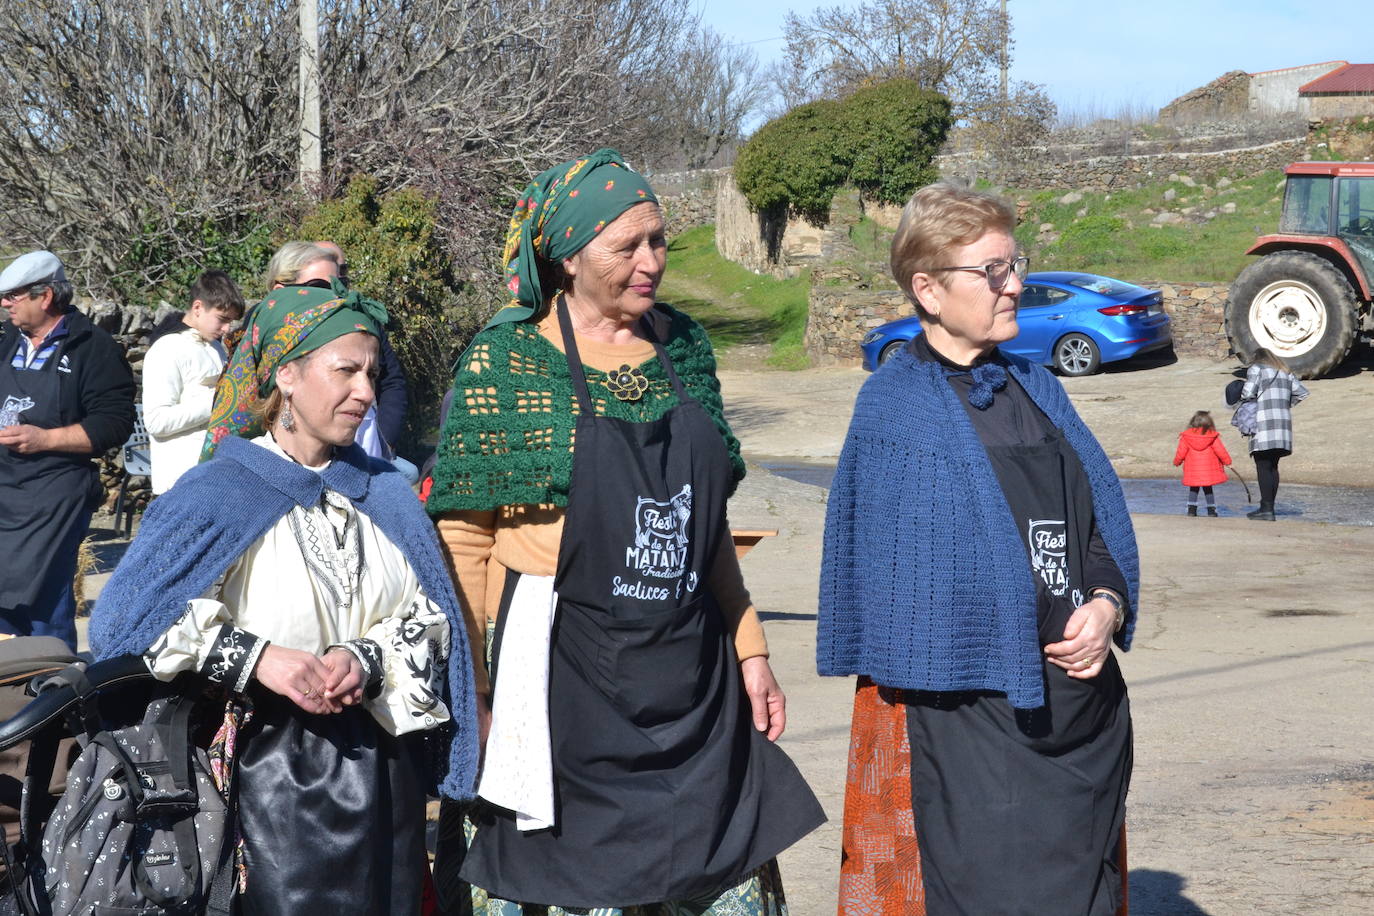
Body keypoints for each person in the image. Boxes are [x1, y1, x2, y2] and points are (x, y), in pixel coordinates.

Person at [426, 149, 824, 914]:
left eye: (660, 240)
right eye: (627, 246)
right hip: (560, 680)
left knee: (714, 867)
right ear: (568, 258)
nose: (652, 263)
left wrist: (751, 650)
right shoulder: (504, 362)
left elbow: (706, 531)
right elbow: (465, 542)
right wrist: (474, 689)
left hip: (691, 674)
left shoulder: (685, 349)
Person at [90, 282, 479, 913]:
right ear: (288, 376)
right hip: (258, 775)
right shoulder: (218, 491)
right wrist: (258, 657)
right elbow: (124, 625)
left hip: (382, 767)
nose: (365, 392)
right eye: (346, 370)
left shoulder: (385, 493)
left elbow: (429, 615)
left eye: (372, 373)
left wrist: (366, 657)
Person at [818, 183, 1137, 916]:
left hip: (1079, 720)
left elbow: (1094, 527)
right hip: (971, 731)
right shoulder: (897, 407)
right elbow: (897, 594)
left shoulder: (1036, 384)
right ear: (927, 288)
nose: (1015, 284)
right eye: (991, 271)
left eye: (1014, 263)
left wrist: (1105, 605)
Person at [0, 251, 135, 649]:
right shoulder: (7, 341)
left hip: (55, 495)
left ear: (45, 297)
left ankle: (53, 696)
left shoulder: (93, 347)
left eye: (13, 295)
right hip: (4, 489)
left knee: (44, 604)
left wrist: (45, 439)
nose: (5, 303)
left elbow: (115, 423)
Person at [313, 241, 414, 481]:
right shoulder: (297, 326)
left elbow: (392, 382)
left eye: (343, 269)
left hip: (367, 438)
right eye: (332, 267)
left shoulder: (367, 319)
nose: (340, 276)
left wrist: (386, 438)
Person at [142, 269, 245, 494]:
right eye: (222, 319)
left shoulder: (216, 346)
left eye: (231, 321)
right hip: (181, 485)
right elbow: (157, 421)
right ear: (198, 308)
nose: (227, 328)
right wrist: (221, 399)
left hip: (216, 479)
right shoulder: (167, 348)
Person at [1240, 347, 1309, 522]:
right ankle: (1268, 508)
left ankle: (1266, 510)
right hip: (1283, 425)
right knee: (1273, 467)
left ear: (1257, 358)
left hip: (1263, 423)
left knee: (1262, 466)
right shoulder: (1285, 372)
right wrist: (1284, 405)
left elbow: (1247, 394)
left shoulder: (1256, 369)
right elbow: (1302, 392)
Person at [1173, 409, 1231, 517]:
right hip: (1208, 470)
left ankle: (1191, 510)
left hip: (1193, 469)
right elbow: (1221, 451)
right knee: (1208, 489)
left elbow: (1181, 452)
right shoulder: (1212, 436)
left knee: (1193, 488)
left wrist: (1177, 462)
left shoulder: (1187, 436)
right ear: (1209, 423)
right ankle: (1211, 510)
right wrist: (1228, 462)